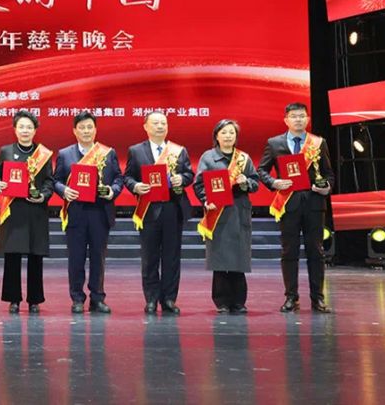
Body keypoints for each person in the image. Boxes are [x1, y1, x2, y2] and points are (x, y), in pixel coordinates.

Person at [257, 102, 334, 314]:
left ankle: (318, 298)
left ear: (307, 119)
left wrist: (326, 187)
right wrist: (274, 183)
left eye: (302, 116)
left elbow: (329, 173)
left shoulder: (318, 143)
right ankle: (291, 297)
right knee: (289, 251)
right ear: (286, 120)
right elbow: (261, 170)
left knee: (316, 252)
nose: (298, 119)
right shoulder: (274, 143)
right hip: (288, 204)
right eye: (294, 116)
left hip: (314, 204)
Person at [123, 112, 194, 315]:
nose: (160, 126)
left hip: (173, 208)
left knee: (172, 257)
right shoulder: (136, 151)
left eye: (164, 123)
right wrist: (135, 186)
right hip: (148, 210)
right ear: (146, 126)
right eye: (155, 123)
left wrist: (182, 179)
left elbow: (189, 174)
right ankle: (151, 299)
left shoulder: (179, 150)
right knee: (150, 257)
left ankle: (169, 299)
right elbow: (128, 177)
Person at [53, 110, 124, 314]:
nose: (86, 131)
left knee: (98, 258)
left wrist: (111, 191)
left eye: (89, 127)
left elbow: (118, 178)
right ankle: (77, 298)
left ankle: (97, 298)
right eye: (82, 127)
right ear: (75, 131)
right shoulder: (65, 154)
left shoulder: (107, 153)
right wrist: (64, 190)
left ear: (95, 129)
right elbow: (55, 180)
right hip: (76, 212)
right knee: (76, 258)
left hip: (100, 212)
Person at [193, 119, 260, 314]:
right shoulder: (208, 157)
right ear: (216, 136)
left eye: (232, 132)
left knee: (239, 258)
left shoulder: (243, 158)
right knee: (220, 259)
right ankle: (221, 301)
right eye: (224, 132)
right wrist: (206, 200)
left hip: (239, 212)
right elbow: (199, 184)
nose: (228, 136)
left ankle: (238, 301)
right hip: (218, 212)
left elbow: (255, 183)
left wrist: (246, 182)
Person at [0, 110, 53, 314]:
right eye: (21, 127)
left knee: (35, 257)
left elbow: (49, 181)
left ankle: (34, 300)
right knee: (12, 256)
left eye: (29, 127)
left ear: (35, 130)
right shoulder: (6, 151)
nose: (25, 130)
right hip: (13, 210)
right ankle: (13, 299)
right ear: (15, 129)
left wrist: (43, 196)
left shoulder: (43, 154)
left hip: (35, 210)